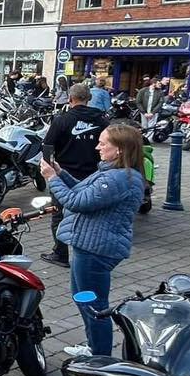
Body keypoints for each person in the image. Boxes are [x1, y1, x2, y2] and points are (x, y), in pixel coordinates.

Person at [41, 123, 146, 357]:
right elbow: (83, 192)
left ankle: (100, 356)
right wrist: (60, 173)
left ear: (119, 149)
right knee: (83, 299)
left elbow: (77, 202)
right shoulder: (112, 172)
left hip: (96, 251)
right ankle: (94, 346)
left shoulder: (119, 178)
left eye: (103, 143)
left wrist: (51, 179)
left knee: (94, 305)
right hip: (88, 247)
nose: (97, 146)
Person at [40, 83, 110, 266]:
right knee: (91, 215)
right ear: (89, 99)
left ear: (70, 99)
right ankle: (91, 253)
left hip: (64, 174)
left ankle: (60, 253)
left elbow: (47, 146)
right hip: (93, 174)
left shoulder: (62, 120)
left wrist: (49, 170)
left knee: (59, 214)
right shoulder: (102, 121)